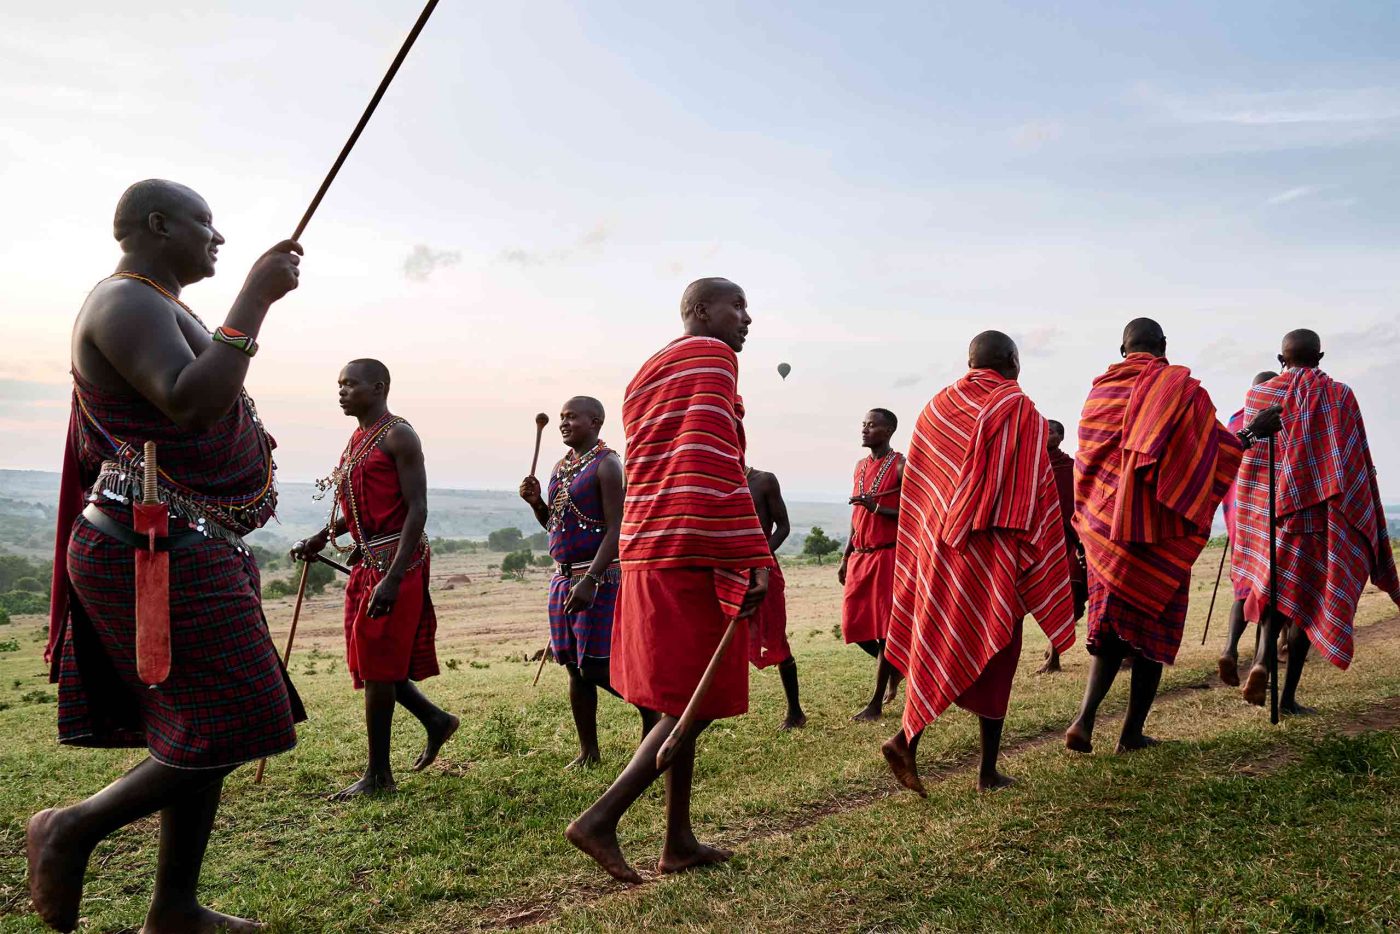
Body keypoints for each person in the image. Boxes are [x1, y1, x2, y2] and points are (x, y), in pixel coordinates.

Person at [29, 179, 303, 933]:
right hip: (151, 545)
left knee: (202, 723)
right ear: (157, 224)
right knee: (243, 720)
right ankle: (69, 828)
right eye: (204, 223)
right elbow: (189, 398)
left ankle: (173, 907)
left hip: (185, 540)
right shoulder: (125, 302)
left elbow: (197, 405)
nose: (218, 237)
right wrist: (254, 300)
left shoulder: (158, 303)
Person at [566, 277, 772, 884]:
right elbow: (710, 459)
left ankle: (677, 840)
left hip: (647, 542)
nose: (747, 319)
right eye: (739, 305)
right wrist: (748, 550)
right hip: (689, 543)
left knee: (670, 694)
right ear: (703, 310)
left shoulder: (647, 370)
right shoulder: (714, 357)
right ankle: (600, 818)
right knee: (694, 698)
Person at [1065, 318, 1281, 754]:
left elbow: (1087, 465)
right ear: (1163, 346)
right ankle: (1130, 734)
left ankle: (1084, 720)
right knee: (1152, 635)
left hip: (1105, 535)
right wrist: (1254, 433)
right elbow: (1208, 451)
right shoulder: (1180, 390)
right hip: (1159, 534)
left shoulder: (1098, 393)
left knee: (1108, 633)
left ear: (1121, 347)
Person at [882, 332, 1075, 794]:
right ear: (1012, 361)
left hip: (938, 554)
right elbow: (1029, 491)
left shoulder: (935, 408)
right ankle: (986, 772)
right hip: (993, 555)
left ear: (970, 361)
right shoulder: (1020, 409)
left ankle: (908, 737)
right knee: (998, 655)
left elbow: (922, 488)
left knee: (936, 643)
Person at [292, 359, 458, 800]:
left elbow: (417, 510)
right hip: (370, 561)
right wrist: (319, 537)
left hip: (396, 563)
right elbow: (361, 510)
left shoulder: (399, 435)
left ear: (378, 387)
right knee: (372, 662)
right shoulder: (358, 439)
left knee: (380, 664)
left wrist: (394, 577)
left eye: (351, 384)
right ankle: (437, 721)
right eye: (339, 385)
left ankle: (379, 776)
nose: (342, 392)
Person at [1232, 330, 1400, 712]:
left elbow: (1252, 463)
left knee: (1273, 594)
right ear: (1320, 356)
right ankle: (1287, 698)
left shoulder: (1259, 395)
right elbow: (1354, 457)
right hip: (1318, 517)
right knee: (1307, 600)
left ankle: (1260, 661)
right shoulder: (1339, 396)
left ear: (1280, 359)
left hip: (1268, 516)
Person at [518, 396, 629, 767]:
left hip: (599, 577)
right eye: (561, 418)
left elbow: (617, 529)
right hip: (564, 577)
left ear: (595, 421)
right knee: (572, 667)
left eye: (572, 418)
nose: (564, 423)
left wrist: (592, 579)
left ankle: (654, 710)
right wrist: (537, 504)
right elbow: (555, 525)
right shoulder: (561, 467)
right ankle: (588, 752)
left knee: (595, 666)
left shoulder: (608, 465)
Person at [838, 408, 905, 721]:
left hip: (887, 556)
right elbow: (856, 516)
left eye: (872, 425)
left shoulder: (902, 464)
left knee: (885, 634)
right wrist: (845, 555)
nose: (865, 429)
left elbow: (915, 512)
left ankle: (875, 704)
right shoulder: (859, 465)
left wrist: (876, 506)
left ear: (889, 430)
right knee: (855, 627)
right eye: (863, 424)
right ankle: (895, 667)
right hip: (860, 556)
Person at [1215, 371, 1279, 686]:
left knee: (1244, 587)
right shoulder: (1285, 421)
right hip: (1276, 518)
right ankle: (1261, 662)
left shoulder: (1235, 421)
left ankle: (1229, 650)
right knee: (1274, 591)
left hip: (1239, 517)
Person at [746, 466, 806, 730]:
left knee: (775, 638)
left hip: (764, 571)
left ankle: (795, 712)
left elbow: (783, 527)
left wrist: (759, 559)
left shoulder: (763, 481)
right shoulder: (717, 479)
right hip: (725, 572)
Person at [1037, 418, 1087, 674]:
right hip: (1040, 542)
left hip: (1070, 541)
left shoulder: (1070, 468)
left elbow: (1077, 506)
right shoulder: (1029, 468)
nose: (1043, 435)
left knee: (1068, 596)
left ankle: (1054, 655)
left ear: (1059, 437)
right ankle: (1052, 649)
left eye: (1049, 431)